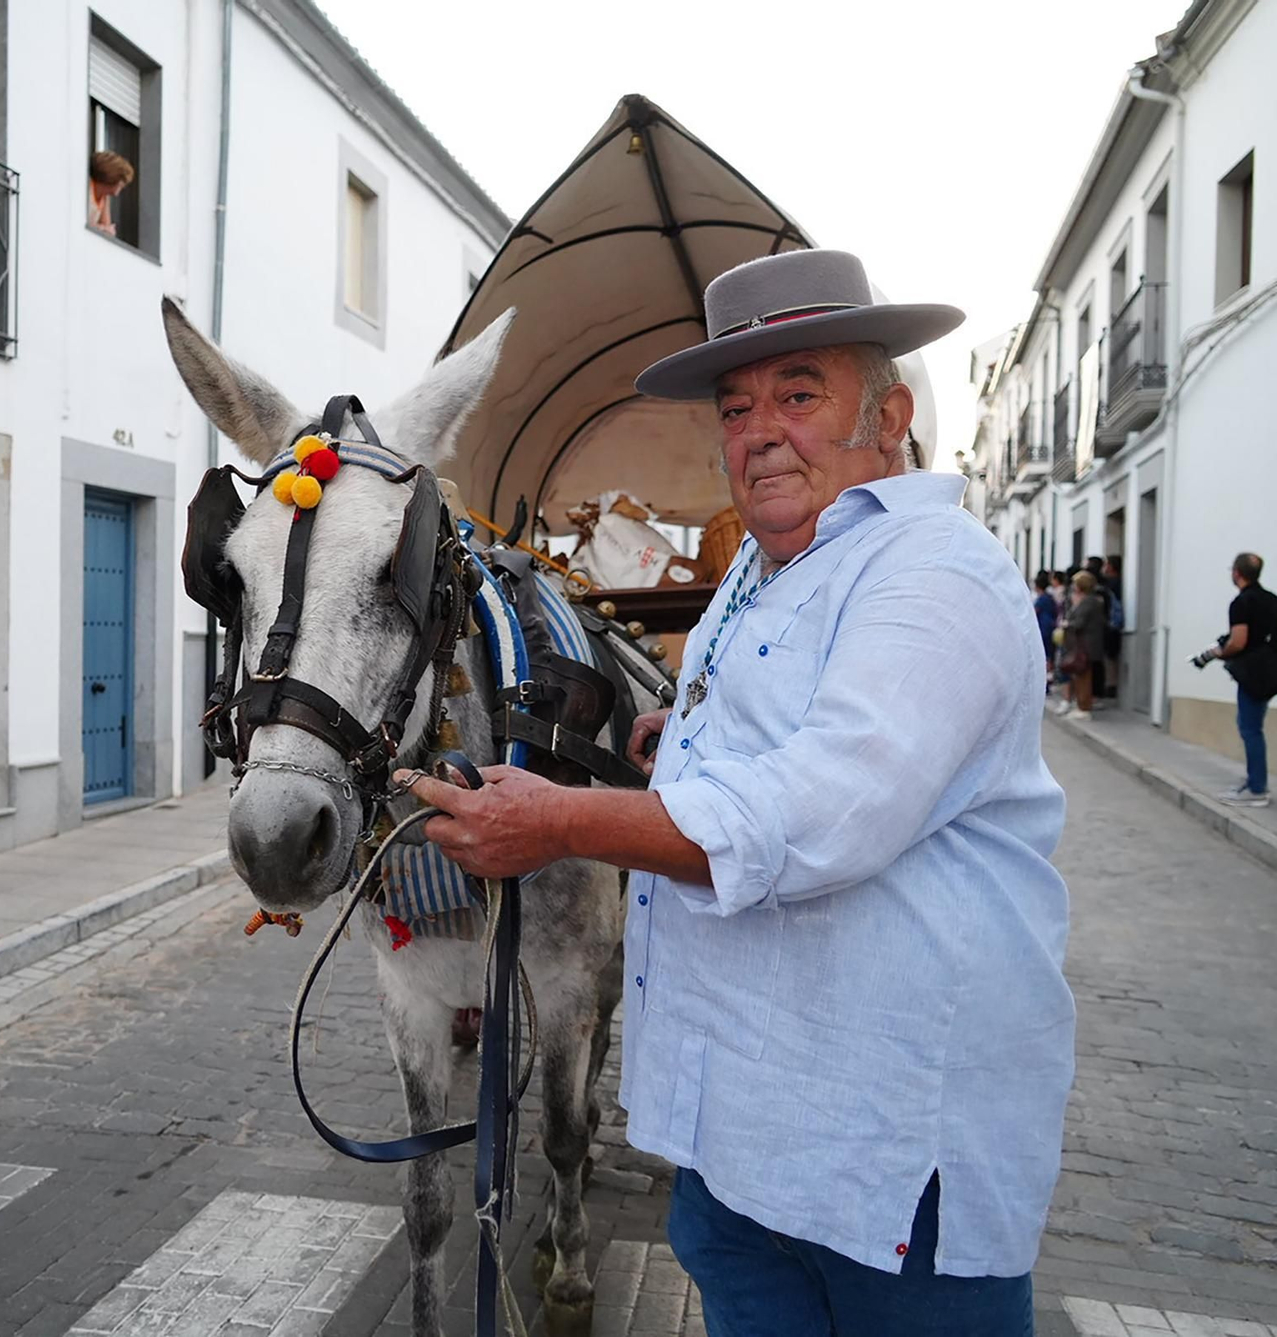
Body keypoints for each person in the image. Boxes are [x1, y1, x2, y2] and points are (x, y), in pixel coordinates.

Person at [401, 249, 1074, 1336]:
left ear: (889, 412)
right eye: (736, 405)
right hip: (738, 1144)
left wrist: (558, 818)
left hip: (883, 1161)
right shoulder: (755, 578)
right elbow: (756, 727)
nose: (760, 428)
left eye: (798, 393)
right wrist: (684, 738)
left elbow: (816, 811)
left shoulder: (931, 573)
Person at [1192, 551, 1277, 806]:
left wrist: (1216, 653)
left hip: (1252, 672)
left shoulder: (1242, 603)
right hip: (1271, 669)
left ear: (1237, 573)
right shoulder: (1275, 601)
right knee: (1252, 726)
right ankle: (1254, 782)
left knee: (1250, 729)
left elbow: (1239, 641)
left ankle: (1257, 788)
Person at [1056, 570, 1103, 719]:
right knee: (1080, 675)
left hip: (1086, 645)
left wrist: (1067, 624)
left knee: (1084, 677)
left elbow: (1079, 622)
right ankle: (1081, 705)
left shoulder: (1089, 601)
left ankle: (1084, 707)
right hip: (1082, 644)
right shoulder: (1086, 600)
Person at [1080, 556, 1112, 704]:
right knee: (1095, 667)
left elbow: (1080, 620)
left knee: (1091, 669)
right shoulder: (1103, 590)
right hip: (1097, 636)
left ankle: (1093, 697)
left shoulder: (1093, 598)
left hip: (1091, 638)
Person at [88, 150, 134, 237]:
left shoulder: (104, 197)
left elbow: (107, 229)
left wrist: (104, 228)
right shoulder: (88, 190)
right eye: (122, 183)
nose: (123, 187)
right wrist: (101, 228)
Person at [1100, 556, 1125, 701]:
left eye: (1106, 564)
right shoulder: (1117, 583)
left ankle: (1111, 685)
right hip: (1113, 625)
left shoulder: (1111, 585)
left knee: (1110, 657)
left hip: (1111, 626)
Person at [1033, 572, 1059, 703]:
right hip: (1050, 629)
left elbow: (1034, 612)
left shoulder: (1041, 599)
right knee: (1049, 657)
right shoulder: (1050, 598)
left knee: (1045, 658)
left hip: (1043, 630)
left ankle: (1046, 684)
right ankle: (1047, 683)